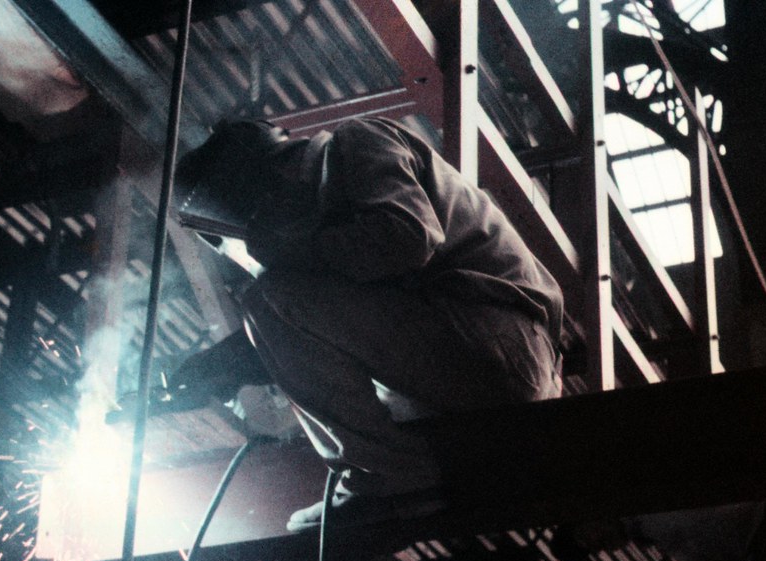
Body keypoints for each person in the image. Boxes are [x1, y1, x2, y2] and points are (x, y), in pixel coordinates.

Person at [170, 117, 564, 531]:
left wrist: (288, 251)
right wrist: (222, 365)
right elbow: (326, 327)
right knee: (274, 300)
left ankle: (385, 475)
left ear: (265, 185)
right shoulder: (322, 216)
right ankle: (392, 471)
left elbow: (407, 238)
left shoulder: (357, 142)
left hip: (501, 346)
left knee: (269, 293)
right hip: (471, 356)